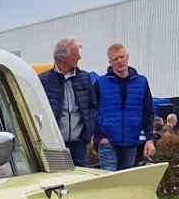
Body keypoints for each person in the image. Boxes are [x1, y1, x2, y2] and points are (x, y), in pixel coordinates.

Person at [38, 37, 98, 167]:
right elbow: (38, 112)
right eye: (75, 55)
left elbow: (91, 107)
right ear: (62, 58)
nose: (79, 57)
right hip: (55, 144)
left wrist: (87, 135)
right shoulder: (43, 80)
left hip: (79, 143)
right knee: (58, 175)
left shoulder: (84, 77)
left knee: (81, 176)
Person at [95, 43, 156, 170]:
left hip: (131, 140)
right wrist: (99, 136)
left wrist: (149, 139)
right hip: (108, 140)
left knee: (126, 177)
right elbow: (90, 112)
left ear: (127, 57)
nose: (119, 61)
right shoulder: (100, 83)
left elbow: (148, 112)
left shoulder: (141, 82)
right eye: (115, 59)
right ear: (110, 62)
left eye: (122, 57)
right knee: (109, 176)